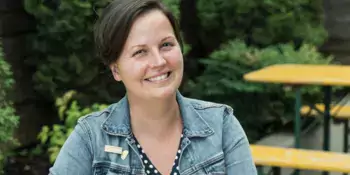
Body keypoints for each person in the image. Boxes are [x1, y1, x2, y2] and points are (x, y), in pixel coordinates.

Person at [49, 0, 257, 174]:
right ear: (116, 70)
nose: (158, 62)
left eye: (166, 45)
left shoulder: (221, 125)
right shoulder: (90, 138)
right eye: (140, 52)